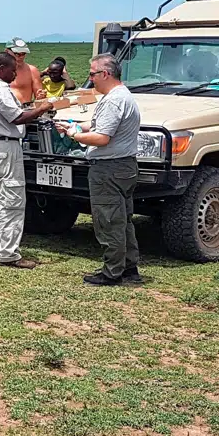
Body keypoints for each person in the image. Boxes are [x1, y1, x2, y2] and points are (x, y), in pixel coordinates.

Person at [61, 54, 142, 285]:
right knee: (123, 220)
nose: (90, 78)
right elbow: (99, 125)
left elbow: (102, 137)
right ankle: (128, 266)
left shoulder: (113, 100)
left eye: (93, 73)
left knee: (108, 220)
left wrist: (75, 135)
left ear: (105, 74)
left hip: (109, 168)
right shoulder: (122, 97)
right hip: (124, 166)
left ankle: (112, 271)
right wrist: (73, 124)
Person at [0, 52, 60, 269]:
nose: (15, 74)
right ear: (1, 68)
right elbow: (17, 117)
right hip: (6, 146)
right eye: (12, 70)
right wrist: (42, 108)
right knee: (12, 201)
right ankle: (9, 253)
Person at [6, 38, 43, 105]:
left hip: (25, 111)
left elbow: (39, 98)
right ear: (7, 51)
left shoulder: (32, 70)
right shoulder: (0, 71)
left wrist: (40, 97)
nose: (21, 57)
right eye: (17, 54)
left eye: (23, 54)